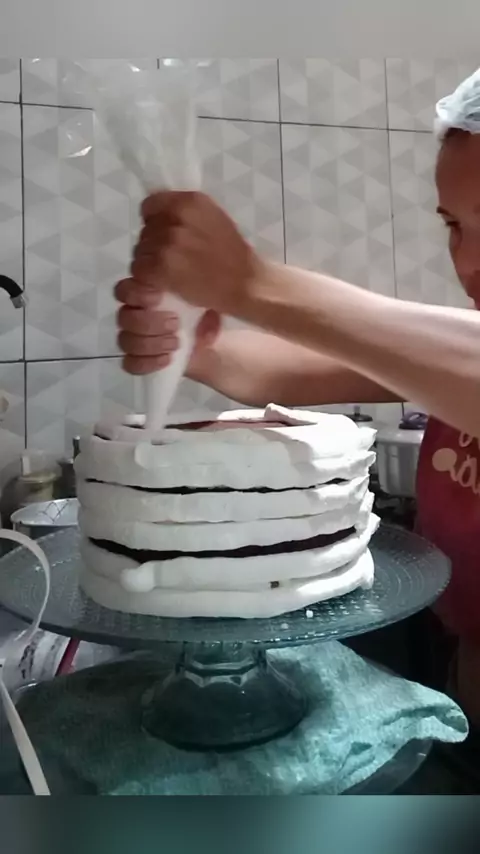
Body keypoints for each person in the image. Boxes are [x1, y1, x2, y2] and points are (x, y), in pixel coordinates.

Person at [116, 70, 480, 731]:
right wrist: (196, 346)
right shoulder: (452, 351)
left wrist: (249, 281)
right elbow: (296, 369)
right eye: (455, 225)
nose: (469, 262)